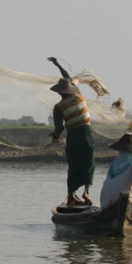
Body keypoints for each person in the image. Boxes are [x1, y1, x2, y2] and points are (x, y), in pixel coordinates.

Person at [48, 57, 95, 206]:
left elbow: (60, 128)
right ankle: (86, 193)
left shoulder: (59, 106)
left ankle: (71, 195)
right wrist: (58, 65)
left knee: (74, 165)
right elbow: (67, 76)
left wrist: (55, 134)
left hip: (73, 136)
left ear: (59, 92)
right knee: (89, 163)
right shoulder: (78, 95)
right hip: (86, 134)